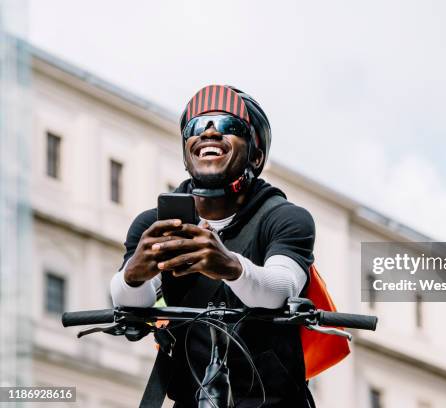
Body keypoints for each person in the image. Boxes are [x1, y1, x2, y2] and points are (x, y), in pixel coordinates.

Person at [110, 85, 316, 407]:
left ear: (256, 155)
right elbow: (131, 304)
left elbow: (282, 288)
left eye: (228, 127)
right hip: (194, 398)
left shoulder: (285, 218)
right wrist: (132, 277)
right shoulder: (154, 224)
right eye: (196, 127)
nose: (209, 133)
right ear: (186, 152)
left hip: (273, 401)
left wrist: (230, 266)